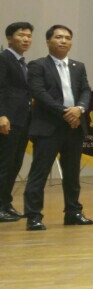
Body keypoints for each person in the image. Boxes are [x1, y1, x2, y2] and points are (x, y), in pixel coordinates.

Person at [22, 25, 93, 231]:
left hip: (74, 127)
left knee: (72, 173)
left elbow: (86, 90)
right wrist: (66, 112)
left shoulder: (78, 66)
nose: (63, 41)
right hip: (48, 128)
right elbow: (39, 93)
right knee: (39, 173)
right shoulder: (38, 65)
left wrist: (79, 109)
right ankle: (33, 216)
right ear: (48, 41)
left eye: (67, 38)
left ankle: (73, 212)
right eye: (59, 37)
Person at [0, 22, 33, 222]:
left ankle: (6, 203)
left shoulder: (22, 62)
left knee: (15, 164)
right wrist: (1, 114)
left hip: (23, 120)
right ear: (9, 38)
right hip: (8, 120)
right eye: (21, 35)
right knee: (4, 164)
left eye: (29, 36)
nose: (26, 39)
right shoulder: (3, 59)